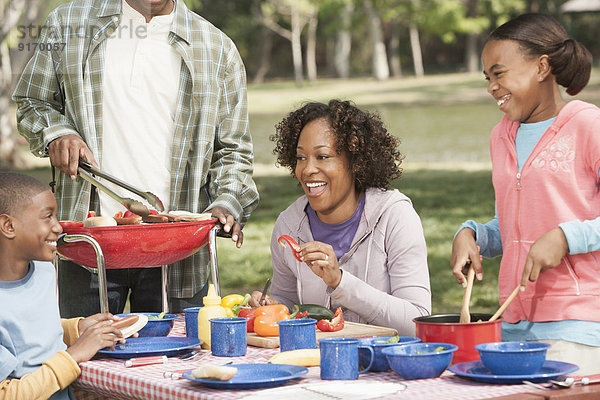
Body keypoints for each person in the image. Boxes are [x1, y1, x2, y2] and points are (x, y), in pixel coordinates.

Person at [13, 0, 259, 316]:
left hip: (176, 249)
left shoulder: (216, 47)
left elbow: (234, 151)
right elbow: (32, 101)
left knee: (179, 362)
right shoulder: (68, 22)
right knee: (81, 359)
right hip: (89, 244)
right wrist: (58, 133)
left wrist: (227, 200)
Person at [450, 13, 600, 374]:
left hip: (576, 326)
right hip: (513, 324)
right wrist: (473, 234)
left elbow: (556, 232)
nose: (491, 87)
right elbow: (517, 226)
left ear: (542, 67)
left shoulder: (588, 125)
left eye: (499, 74)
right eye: (487, 78)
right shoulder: (500, 137)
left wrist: (566, 237)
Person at [250, 100, 431, 335]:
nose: (307, 170)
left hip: (383, 365)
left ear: (355, 161)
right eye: (301, 157)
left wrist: (340, 282)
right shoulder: (289, 225)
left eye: (322, 156)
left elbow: (419, 323)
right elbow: (287, 301)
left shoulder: (395, 217)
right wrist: (271, 306)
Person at [0, 172, 127, 400]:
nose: (58, 227)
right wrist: (74, 355)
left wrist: (76, 329)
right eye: (47, 217)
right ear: (8, 226)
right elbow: (8, 395)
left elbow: (26, 330)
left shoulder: (44, 271)